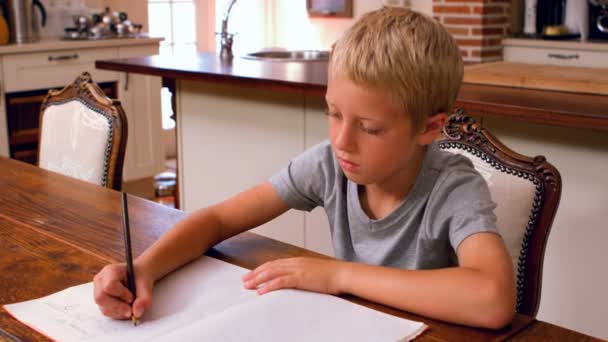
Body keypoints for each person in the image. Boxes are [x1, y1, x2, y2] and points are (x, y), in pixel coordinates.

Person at [93, 7, 515, 329]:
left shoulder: (454, 187)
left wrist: (338, 275)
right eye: (333, 113)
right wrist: (144, 269)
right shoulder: (329, 166)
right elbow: (219, 219)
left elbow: (492, 299)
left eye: (369, 127)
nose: (341, 140)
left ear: (429, 128)